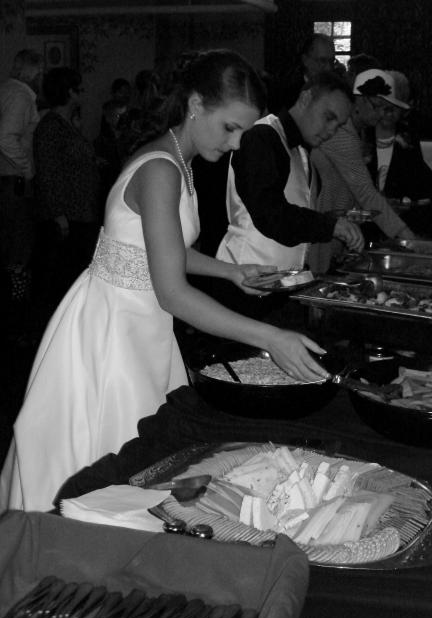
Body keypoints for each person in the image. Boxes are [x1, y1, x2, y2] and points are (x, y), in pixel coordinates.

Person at [0, 49, 330, 513]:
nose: (237, 144)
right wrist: (270, 337)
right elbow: (172, 291)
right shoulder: (161, 169)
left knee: (140, 457)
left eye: (243, 131)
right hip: (115, 329)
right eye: (230, 127)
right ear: (195, 105)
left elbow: (160, 251)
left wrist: (230, 271)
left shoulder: (177, 160)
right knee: (115, 459)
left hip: (140, 321)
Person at [216, 71, 364, 273]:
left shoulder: (301, 151)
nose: (331, 130)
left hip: (279, 280)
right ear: (305, 98)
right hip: (244, 276)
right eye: (329, 117)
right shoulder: (262, 136)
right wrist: (330, 226)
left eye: (338, 126)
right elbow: (270, 215)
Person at [310, 68, 416, 265]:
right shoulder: (341, 132)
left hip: (331, 225)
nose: (381, 114)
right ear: (358, 101)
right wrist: (408, 238)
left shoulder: (358, 131)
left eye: (386, 108)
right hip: (320, 225)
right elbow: (365, 192)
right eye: (377, 106)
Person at [31, 67, 102, 325]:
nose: (82, 94)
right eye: (79, 89)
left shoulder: (66, 124)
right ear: (69, 92)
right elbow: (47, 173)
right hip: (67, 214)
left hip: (80, 210)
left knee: (73, 271)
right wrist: (58, 214)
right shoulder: (51, 127)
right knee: (61, 276)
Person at [0, 49, 43, 328]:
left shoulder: (7, 90)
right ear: (31, 71)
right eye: (39, 71)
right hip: (13, 182)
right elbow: (5, 137)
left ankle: (11, 314)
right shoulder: (20, 95)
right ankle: (15, 319)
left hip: (7, 180)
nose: (41, 77)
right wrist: (27, 169)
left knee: (10, 247)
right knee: (18, 249)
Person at [366, 70, 432, 207]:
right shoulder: (363, 135)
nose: (389, 112)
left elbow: (423, 186)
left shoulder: (413, 139)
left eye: (395, 106)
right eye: (383, 104)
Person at [273, 33, 337, 112]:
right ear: (305, 60)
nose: (329, 68)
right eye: (322, 61)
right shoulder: (286, 94)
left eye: (331, 61)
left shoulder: (337, 92)